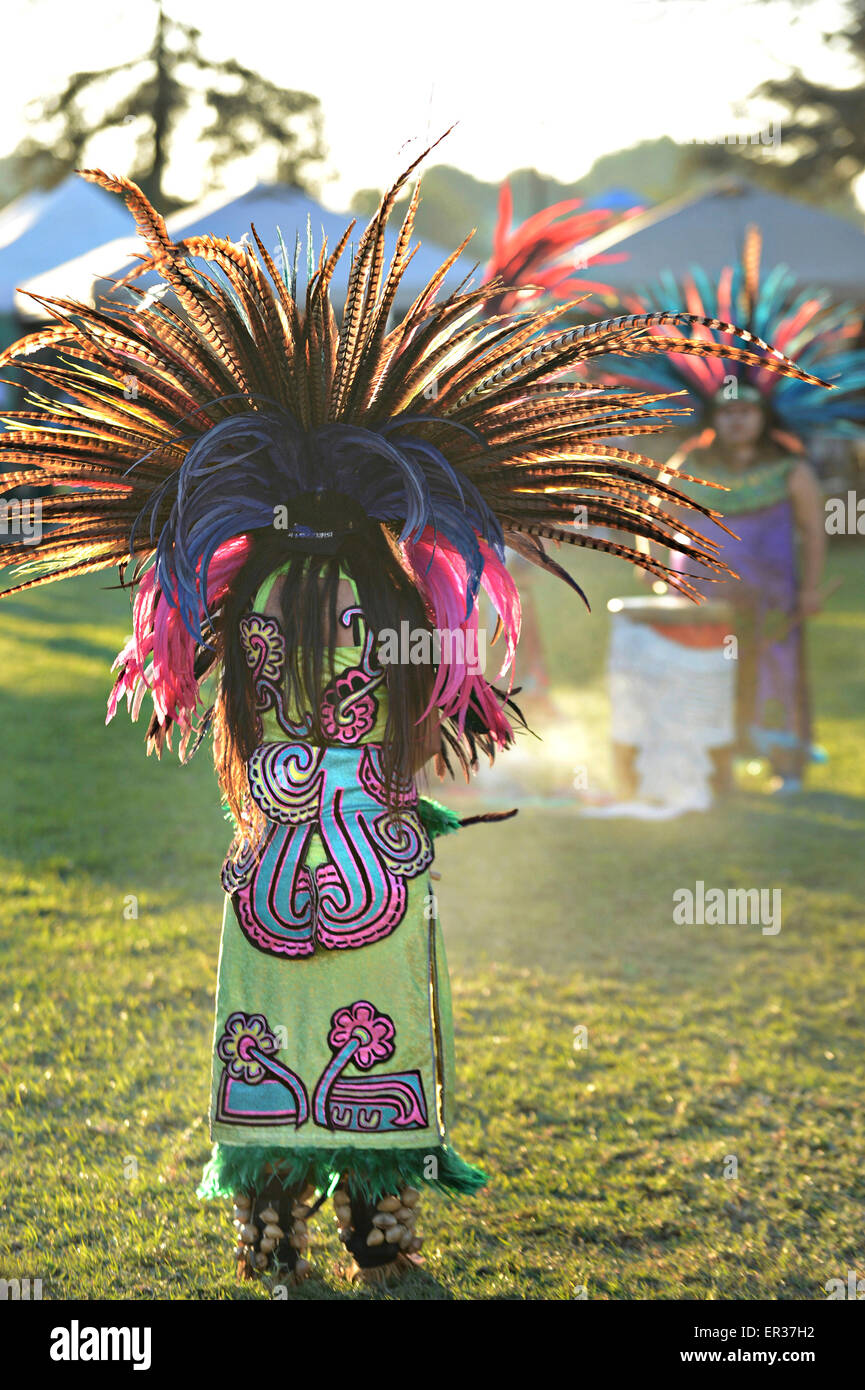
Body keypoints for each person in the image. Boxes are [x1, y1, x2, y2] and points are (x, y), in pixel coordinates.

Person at [0, 146, 825, 1287]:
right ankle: (345, 1211)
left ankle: (307, 1210)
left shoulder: (276, 595)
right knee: (331, 1013)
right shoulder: (345, 594)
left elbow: (355, 701)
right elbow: (428, 701)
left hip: (298, 861)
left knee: (304, 1017)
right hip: (350, 857)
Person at [601, 226, 865, 795]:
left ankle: (782, 766)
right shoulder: (688, 460)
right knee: (700, 675)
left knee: (776, 673)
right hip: (698, 592)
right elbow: (652, 514)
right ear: (713, 419)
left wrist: (812, 588)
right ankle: (704, 763)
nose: (737, 422)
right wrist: (651, 569)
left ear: (766, 419)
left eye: (747, 413)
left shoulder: (791, 469)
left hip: (772, 592)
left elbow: (814, 534)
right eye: (728, 414)